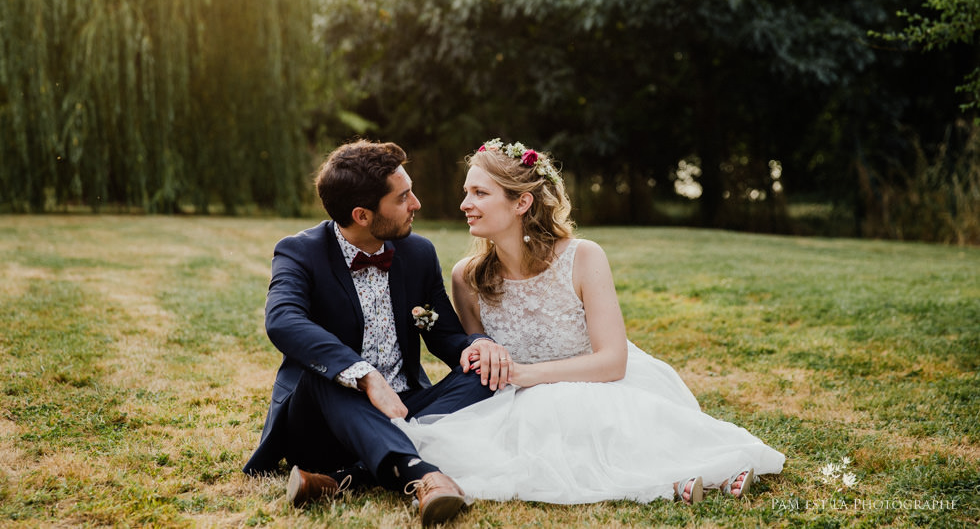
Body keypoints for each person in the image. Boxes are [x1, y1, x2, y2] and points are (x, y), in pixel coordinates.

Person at [394, 138, 785, 505]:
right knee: (480, 448)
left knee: (598, 419)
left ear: (521, 203)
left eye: (479, 193)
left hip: (600, 383)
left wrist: (527, 375)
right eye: (467, 192)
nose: (465, 203)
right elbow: (479, 353)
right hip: (515, 401)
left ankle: (676, 475)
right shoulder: (468, 277)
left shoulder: (582, 258)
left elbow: (613, 362)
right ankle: (665, 480)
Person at [242, 139, 512, 526]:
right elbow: (282, 319)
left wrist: (479, 347)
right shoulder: (300, 252)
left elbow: (446, 337)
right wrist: (366, 376)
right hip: (322, 423)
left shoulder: (418, 254)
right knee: (324, 371)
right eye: (403, 198)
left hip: (403, 409)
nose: (416, 204)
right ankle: (422, 476)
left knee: (487, 376)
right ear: (362, 215)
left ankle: (342, 480)